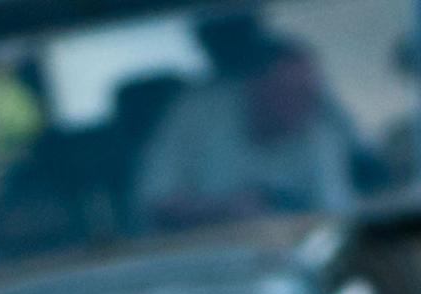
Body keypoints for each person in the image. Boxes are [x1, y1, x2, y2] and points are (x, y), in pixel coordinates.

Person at [138, 12, 369, 228]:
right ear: (256, 88)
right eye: (288, 93)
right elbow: (157, 202)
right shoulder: (197, 113)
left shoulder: (319, 134)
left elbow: (337, 218)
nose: (303, 106)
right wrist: (222, 209)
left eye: (308, 95)